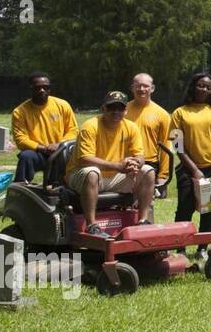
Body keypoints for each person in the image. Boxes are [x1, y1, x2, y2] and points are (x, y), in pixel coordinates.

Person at [64, 91, 155, 231]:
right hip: (80, 175)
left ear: (126, 111)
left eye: (120, 108)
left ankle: (143, 221)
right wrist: (118, 166)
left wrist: (135, 163)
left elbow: (140, 156)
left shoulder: (131, 127)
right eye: (112, 108)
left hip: (113, 177)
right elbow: (84, 160)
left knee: (148, 171)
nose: (116, 112)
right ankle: (91, 225)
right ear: (103, 109)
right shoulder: (90, 126)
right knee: (92, 172)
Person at [170, 71, 211, 248]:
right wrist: (194, 170)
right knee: (184, 209)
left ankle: (203, 248)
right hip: (189, 169)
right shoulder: (180, 112)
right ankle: (179, 247)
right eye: (201, 85)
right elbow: (177, 145)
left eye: (208, 87)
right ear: (193, 86)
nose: (204, 89)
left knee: (209, 211)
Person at [12, 72, 78, 183]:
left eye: (46, 87)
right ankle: (20, 189)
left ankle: (56, 188)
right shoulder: (20, 112)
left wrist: (59, 145)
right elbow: (20, 139)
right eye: (38, 87)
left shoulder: (62, 105)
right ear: (31, 88)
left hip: (60, 151)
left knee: (56, 185)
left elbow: (73, 130)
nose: (42, 90)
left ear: (50, 89)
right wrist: (42, 148)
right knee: (25, 156)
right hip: (36, 152)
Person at [124, 73, 171, 215]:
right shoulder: (122, 111)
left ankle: (145, 232)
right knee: (124, 203)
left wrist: (163, 175)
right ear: (132, 88)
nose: (142, 89)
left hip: (150, 164)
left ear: (152, 88)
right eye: (138, 85)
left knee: (147, 205)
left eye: (145, 86)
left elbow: (166, 146)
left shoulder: (162, 114)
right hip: (125, 163)